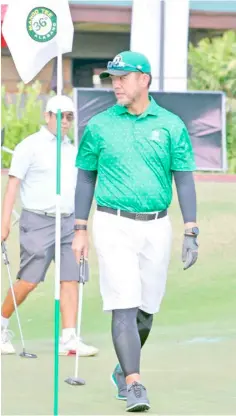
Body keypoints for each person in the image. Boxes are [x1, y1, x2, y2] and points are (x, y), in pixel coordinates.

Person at [72, 51, 199, 412]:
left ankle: (121, 368)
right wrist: (80, 228)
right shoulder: (99, 125)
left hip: (157, 226)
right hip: (112, 224)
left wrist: (191, 228)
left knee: (147, 308)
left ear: (144, 79)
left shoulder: (171, 124)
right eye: (112, 78)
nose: (116, 84)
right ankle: (134, 383)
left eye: (123, 77)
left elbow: (184, 179)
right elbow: (85, 177)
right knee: (122, 305)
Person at [1, 95, 98, 358]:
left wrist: (81, 225)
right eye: (60, 115)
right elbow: (13, 185)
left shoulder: (72, 150)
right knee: (29, 281)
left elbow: (81, 187)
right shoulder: (28, 146)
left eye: (69, 116)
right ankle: (1, 323)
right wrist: (4, 222)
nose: (65, 121)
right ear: (47, 116)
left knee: (71, 278)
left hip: (68, 222)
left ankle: (69, 338)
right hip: (38, 220)